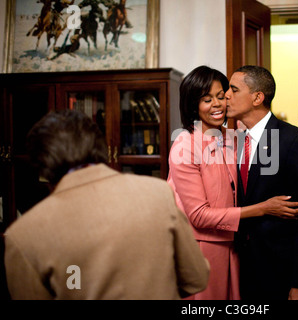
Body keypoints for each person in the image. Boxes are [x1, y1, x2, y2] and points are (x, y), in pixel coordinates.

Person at [4, 109, 209, 300]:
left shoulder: (22, 235)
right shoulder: (158, 193)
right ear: (101, 147)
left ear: (42, 167)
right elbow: (196, 278)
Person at [167, 65, 298, 300]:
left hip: (236, 247)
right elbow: (199, 216)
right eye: (207, 99)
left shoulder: (234, 138)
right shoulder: (185, 145)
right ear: (193, 104)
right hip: (202, 249)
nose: (218, 104)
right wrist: (263, 209)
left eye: (221, 96)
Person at [225, 65, 298, 300]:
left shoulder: (294, 140)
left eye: (234, 89)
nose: (227, 95)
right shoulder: (235, 141)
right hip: (242, 266)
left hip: (282, 269)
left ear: (257, 97)